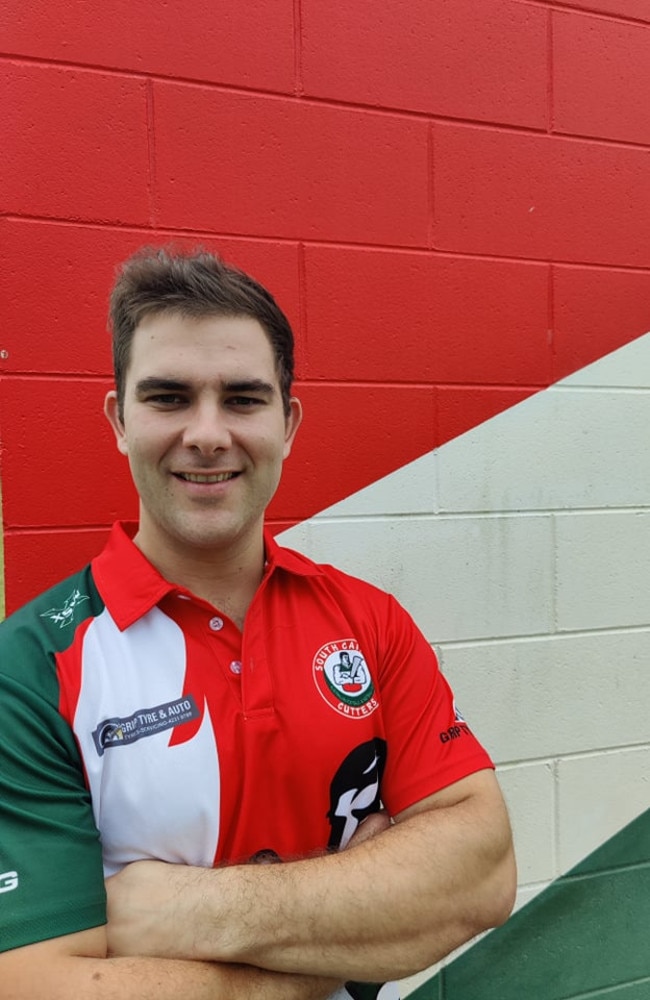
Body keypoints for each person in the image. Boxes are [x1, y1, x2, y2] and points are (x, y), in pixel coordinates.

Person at [0, 247, 516, 999]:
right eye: (169, 397)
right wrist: (342, 941)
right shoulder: (31, 667)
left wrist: (180, 911)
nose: (207, 434)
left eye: (242, 399)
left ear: (288, 422)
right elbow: (32, 984)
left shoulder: (368, 622)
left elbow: (484, 873)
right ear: (118, 420)